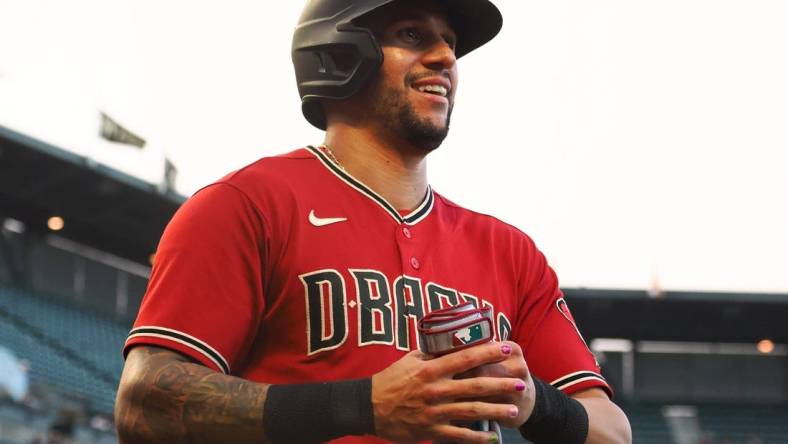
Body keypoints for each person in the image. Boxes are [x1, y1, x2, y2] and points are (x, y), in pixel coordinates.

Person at [114, 0, 632, 443]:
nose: (446, 57)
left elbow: (613, 431)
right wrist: (364, 406)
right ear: (338, 52)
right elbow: (143, 401)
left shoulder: (510, 252)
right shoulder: (246, 205)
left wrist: (534, 401)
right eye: (412, 35)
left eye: (450, 42)